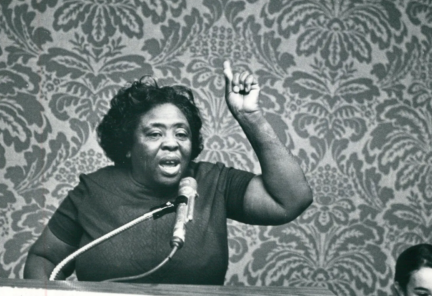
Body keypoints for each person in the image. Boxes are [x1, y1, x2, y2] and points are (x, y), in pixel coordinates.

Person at [23, 61, 313, 284]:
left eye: (181, 133)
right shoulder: (93, 190)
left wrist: (250, 117)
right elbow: (44, 257)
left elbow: (291, 200)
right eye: (155, 133)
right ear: (128, 145)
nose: (172, 143)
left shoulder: (214, 182)